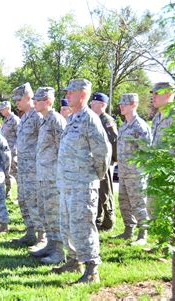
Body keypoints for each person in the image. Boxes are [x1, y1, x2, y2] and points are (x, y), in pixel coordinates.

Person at [55, 79, 111, 284]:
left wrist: (94, 175)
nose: (67, 95)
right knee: (67, 225)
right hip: (67, 183)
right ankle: (73, 260)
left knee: (83, 226)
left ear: (82, 95)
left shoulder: (90, 119)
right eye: (67, 92)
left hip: (82, 184)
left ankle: (91, 270)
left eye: (71, 92)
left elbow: (103, 152)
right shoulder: (72, 118)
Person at [29, 87, 67, 264]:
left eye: (39, 100)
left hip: (53, 177)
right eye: (35, 100)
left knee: (54, 214)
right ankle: (51, 245)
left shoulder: (56, 120)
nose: (35, 102)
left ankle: (59, 251)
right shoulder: (45, 121)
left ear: (48, 102)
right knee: (46, 213)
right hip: (43, 175)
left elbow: (63, 150)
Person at [115, 93, 152, 245]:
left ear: (134, 105)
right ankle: (128, 230)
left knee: (138, 204)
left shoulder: (140, 126)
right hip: (123, 173)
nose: (121, 106)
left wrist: (141, 171)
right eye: (121, 103)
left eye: (125, 103)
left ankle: (143, 234)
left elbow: (147, 152)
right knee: (123, 202)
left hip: (136, 174)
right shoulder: (124, 126)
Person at [11, 82, 44, 247]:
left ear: (28, 97)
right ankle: (30, 232)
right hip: (23, 169)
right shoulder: (23, 118)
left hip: (34, 170)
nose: (16, 102)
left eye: (19, 99)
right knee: (23, 200)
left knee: (34, 201)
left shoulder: (37, 117)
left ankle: (41, 237)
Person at [90, 92, 118, 231]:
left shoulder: (106, 120)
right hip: (97, 160)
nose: (91, 105)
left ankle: (109, 220)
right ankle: (99, 218)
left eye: (94, 103)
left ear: (102, 105)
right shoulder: (95, 118)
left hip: (105, 161)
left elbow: (113, 140)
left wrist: (113, 160)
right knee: (98, 191)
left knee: (106, 192)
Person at [0, 100, 20, 199]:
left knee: (16, 172)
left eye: (2, 109)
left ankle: (22, 193)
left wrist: (16, 149)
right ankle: (8, 193)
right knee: (7, 172)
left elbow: (20, 135)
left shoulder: (15, 119)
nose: (1, 111)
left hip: (13, 151)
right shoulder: (6, 120)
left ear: (8, 108)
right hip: (5, 151)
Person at [151, 82, 175, 147]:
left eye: (156, 93)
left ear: (169, 94)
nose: (153, 96)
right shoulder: (156, 117)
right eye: (152, 93)